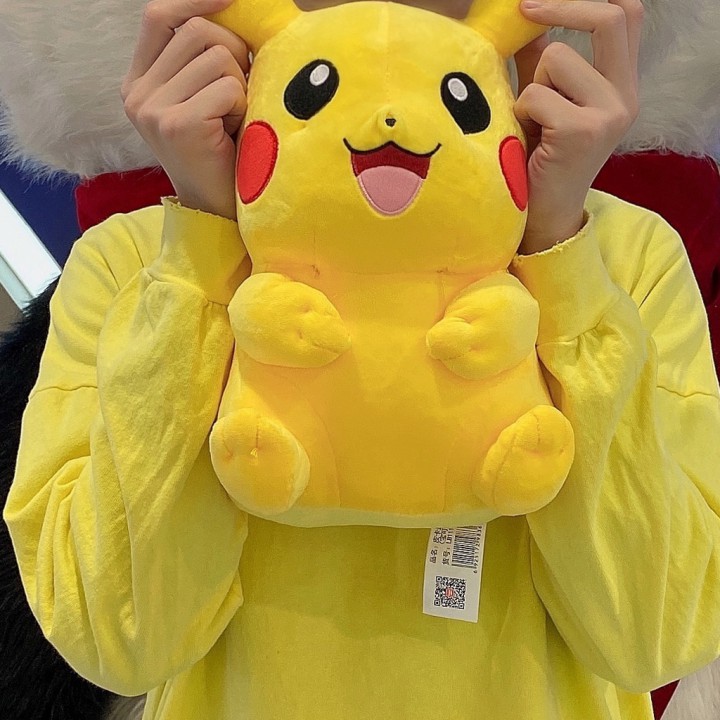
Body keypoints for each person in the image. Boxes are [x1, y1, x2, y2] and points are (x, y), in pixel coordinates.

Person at [4, 0, 720, 718]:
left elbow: (656, 637)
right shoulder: (133, 264)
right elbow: (119, 639)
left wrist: (553, 245)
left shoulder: (625, 258)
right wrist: (208, 244)